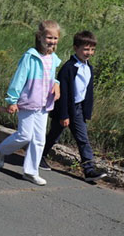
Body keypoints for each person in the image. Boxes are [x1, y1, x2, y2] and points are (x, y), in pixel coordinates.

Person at [0, 20, 61, 185]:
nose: (51, 41)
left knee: (39, 139)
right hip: (29, 102)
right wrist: (12, 100)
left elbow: (51, 77)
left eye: (55, 38)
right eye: (48, 37)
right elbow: (19, 79)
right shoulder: (30, 57)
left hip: (44, 104)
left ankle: (31, 171)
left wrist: (57, 84)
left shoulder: (53, 58)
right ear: (40, 36)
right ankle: (0, 150)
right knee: (24, 135)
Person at [41, 31, 107, 182]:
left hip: (78, 109)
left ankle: (89, 170)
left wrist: (85, 111)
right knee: (54, 136)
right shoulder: (69, 68)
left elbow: (87, 92)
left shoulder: (88, 67)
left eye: (91, 50)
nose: (89, 53)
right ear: (75, 48)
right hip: (64, 108)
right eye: (85, 49)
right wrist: (64, 115)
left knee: (83, 139)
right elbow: (63, 94)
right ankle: (39, 156)